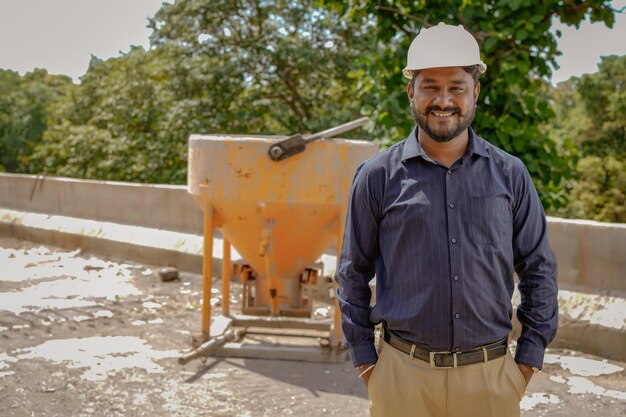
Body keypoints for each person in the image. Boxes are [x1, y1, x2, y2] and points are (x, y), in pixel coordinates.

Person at [335, 22, 558, 417]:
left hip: (490, 382)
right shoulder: (377, 177)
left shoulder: (511, 174)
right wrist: (367, 362)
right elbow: (352, 273)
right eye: (430, 87)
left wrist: (526, 362)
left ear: (474, 92)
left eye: (456, 86)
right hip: (401, 380)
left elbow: (539, 269)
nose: (443, 100)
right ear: (411, 92)